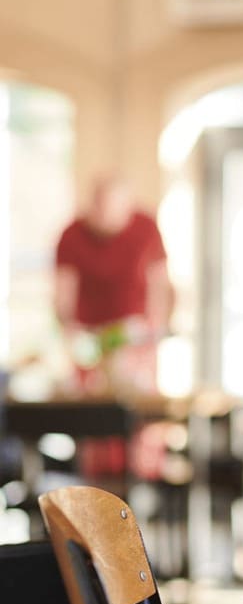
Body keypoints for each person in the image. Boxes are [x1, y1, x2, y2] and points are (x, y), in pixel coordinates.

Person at [53, 173, 173, 478]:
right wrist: (72, 333)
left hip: (137, 343)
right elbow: (63, 294)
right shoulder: (72, 234)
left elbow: (160, 285)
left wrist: (154, 332)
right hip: (92, 345)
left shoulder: (146, 228)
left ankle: (143, 488)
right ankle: (95, 489)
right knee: (94, 425)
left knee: (141, 422)